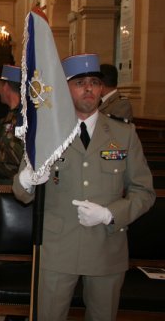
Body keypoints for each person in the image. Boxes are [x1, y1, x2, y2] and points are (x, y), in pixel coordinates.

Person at [13, 53, 155, 321]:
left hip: (106, 246)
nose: (88, 88)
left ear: (102, 89)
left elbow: (144, 192)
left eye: (94, 82)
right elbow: (20, 192)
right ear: (65, 89)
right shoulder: (46, 132)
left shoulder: (124, 134)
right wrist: (27, 179)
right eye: (79, 82)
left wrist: (111, 214)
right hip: (57, 248)